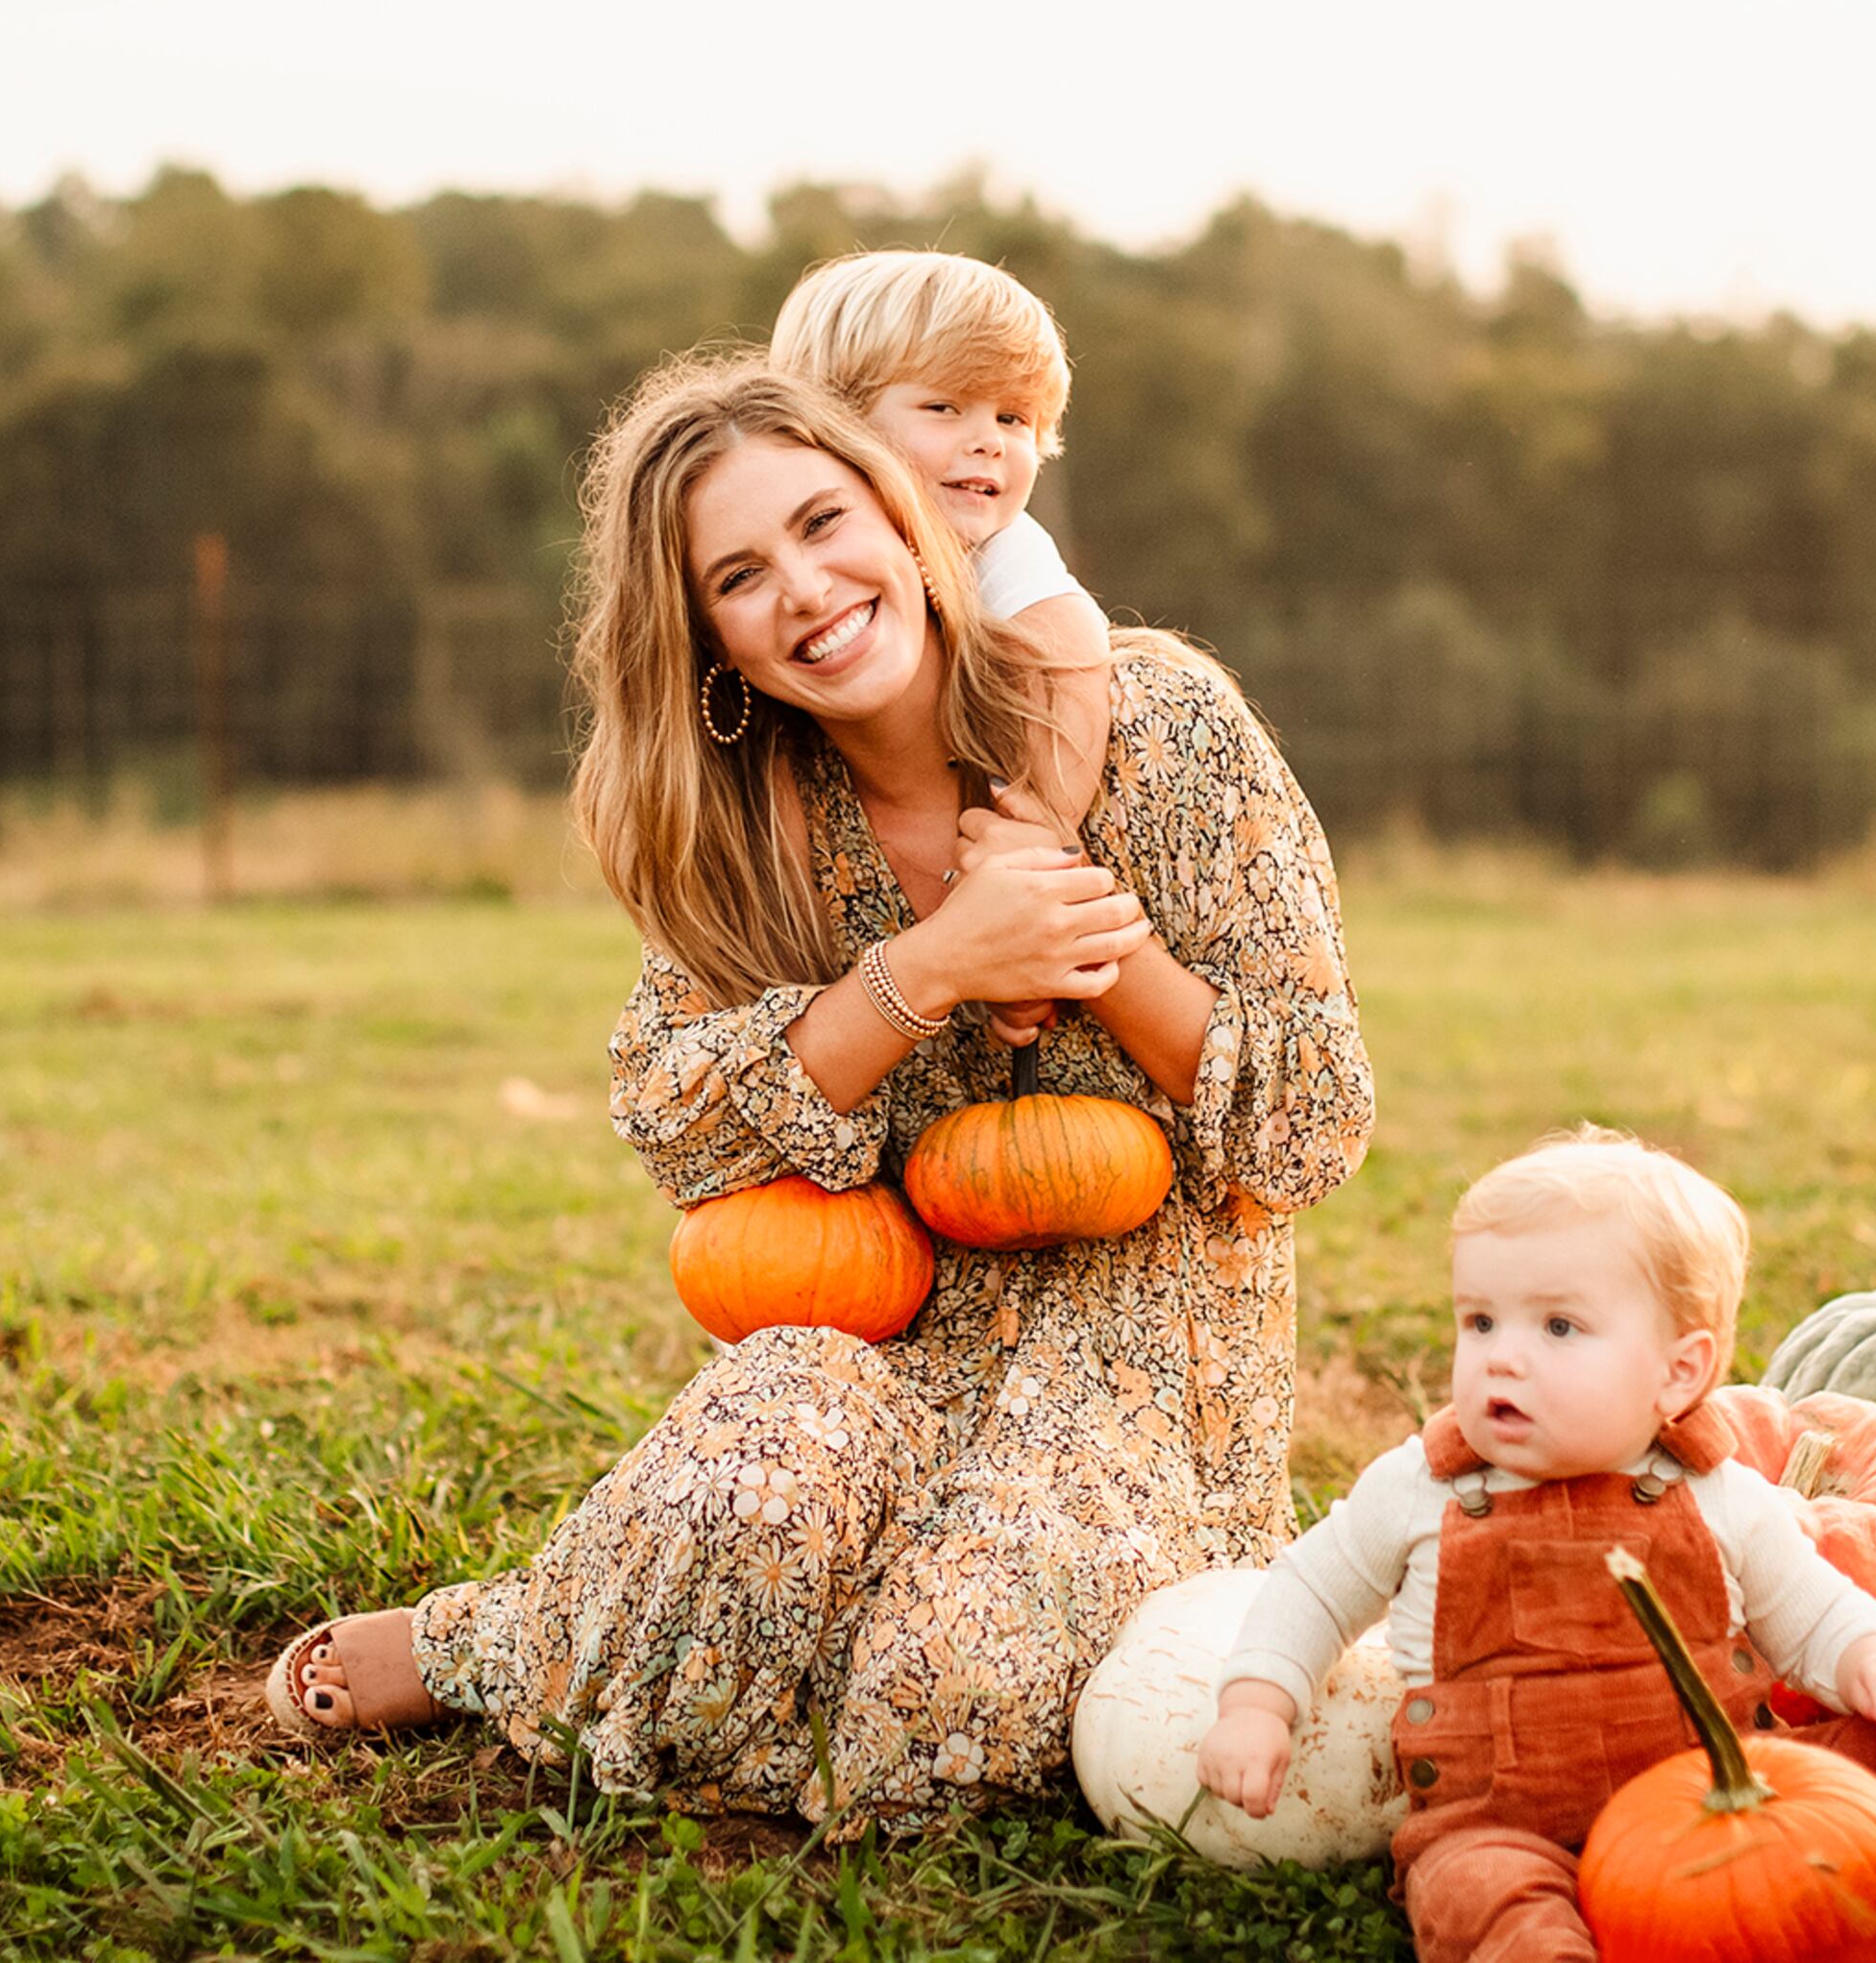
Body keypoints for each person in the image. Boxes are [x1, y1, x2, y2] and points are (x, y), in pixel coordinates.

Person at [261, 356, 1373, 1833]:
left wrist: (1085, 943)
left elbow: (1315, 1120)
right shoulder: (747, 831)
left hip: (1146, 1378)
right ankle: (559, 1642)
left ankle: (572, 1650)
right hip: (874, 1345)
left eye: (822, 522)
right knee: (749, 1480)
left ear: (904, 517)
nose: (804, 587)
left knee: (944, 1691)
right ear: (710, 638)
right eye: (740, 575)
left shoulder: (1164, 726)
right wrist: (928, 967)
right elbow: (676, 1119)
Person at [1194, 1132, 1876, 1963]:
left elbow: (1812, 1611)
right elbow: (1314, 1589)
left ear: (1678, 1373)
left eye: (1559, 1325)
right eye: (1480, 1320)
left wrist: (1873, 1657)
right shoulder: (1421, 1487)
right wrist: (1258, 1703)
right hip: (1504, 1819)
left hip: (1719, 1785)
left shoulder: (1716, 1492)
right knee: (1473, 1882)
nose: (1502, 1355)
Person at [767, 250, 1113, 832]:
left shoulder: (1002, 549)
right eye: (944, 407)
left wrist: (1039, 826)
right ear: (837, 421)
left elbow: (1073, 655)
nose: (989, 442)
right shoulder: (796, 542)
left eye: (1013, 418)